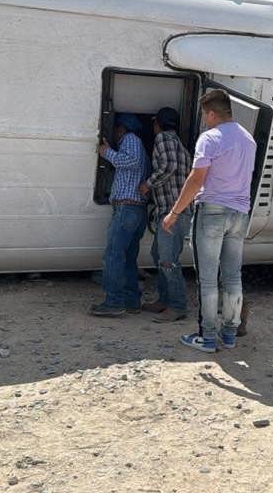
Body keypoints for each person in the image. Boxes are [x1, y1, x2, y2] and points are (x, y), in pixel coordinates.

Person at [162, 89, 256, 353]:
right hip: (240, 213)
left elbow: (196, 179)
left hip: (213, 211)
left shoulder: (210, 138)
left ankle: (207, 336)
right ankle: (229, 335)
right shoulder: (248, 139)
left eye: (205, 114)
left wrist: (175, 212)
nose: (204, 120)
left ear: (212, 113)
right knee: (232, 276)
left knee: (208, 278)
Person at [91, 113, 149, 316]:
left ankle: (114, 302)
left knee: (113, 256)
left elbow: (131, 161)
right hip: (135, 210)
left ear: (121, 128)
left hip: (126, 209)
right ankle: (131, 302)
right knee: (128, 258)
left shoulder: (130, 139)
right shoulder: (139, 144)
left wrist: (107, 152)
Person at [139, 107, 192, 323]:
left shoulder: (162, 138)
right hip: (174, 211)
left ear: (157, 123)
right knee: (158, 256)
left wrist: (147, 185)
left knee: (168, 260)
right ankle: (164, 299)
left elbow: (168, 166)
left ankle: (177, 306)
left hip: (173, 212)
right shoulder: (180, 145)